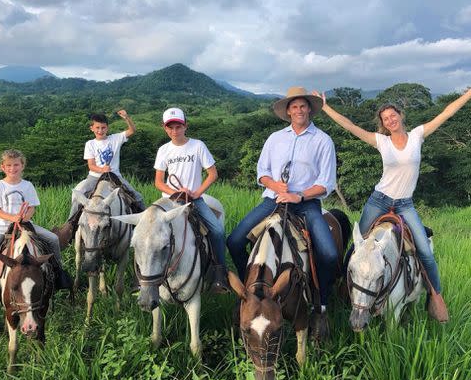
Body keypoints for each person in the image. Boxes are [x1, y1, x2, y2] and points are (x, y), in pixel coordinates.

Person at [319, 87, 471, 323]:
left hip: (404, 204)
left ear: (400, 115)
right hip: (379, 200)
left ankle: (435, 296)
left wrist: (468, 95)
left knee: (424, 251)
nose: (390, 120)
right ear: (383, 123)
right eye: (385, 119)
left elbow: (446, 114)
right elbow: (349, 125)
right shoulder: (381, 141)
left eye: (393, 115)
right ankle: (343, 286)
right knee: (355, 248)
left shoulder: (418, 135)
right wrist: (325, 106)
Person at [226, 86, 339, 340]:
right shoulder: (275, 138)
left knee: (329, 254)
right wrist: (275, 185)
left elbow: (326, 183)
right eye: (294, 106)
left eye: (303, 106)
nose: (299, 110)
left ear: (310, 109)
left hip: (306, 204)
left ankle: (320, 304)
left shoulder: (322, 140)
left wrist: (298, 195)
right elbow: (262, 172)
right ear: (288, 111)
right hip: (273, 201)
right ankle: (252, 292)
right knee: (234, 240)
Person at [0, 149, 71, 312]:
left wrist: (25, 217)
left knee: (53, 239)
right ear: (3, 167)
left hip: (26, 226)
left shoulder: (27, 185)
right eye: (9, 165)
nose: (12, 168)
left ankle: (58, 273)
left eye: (16, 165)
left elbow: (32, 206)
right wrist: (13, 218)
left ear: (22, 166)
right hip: (1, 228)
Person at [154, 107, 229, 294]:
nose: (174, 131)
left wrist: (196, 193)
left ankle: (220, 273)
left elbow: (212, 174)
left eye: (178, 126)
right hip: (170, 201)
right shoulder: (163, 150)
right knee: (148, 230)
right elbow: (158, 182)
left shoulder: (197, 146)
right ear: (165, 128)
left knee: (218, 230)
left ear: (185, 126)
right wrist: (175, 192)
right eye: (170, 127)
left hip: (194, 200)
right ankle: (143, 278)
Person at [56, 110, 144, 246]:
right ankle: (69, 229)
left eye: (103, 127)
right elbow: (91, 165)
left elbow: (132, 130)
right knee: (79, 196)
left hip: (114, 176)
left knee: (137, 197)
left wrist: (127, 117)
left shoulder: (115, 138)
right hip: (95, 177)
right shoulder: (90, 144)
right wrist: (101, 169)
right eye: (97, 127)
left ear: (107, 128)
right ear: (92, 128)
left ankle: (142, 229)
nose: (100, 130)